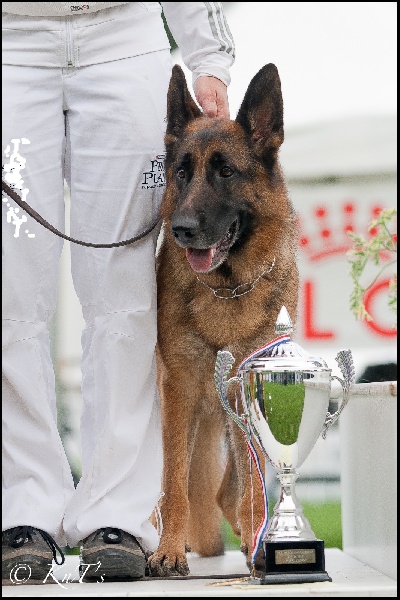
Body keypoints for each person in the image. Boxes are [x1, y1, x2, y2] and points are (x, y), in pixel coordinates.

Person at [2, 1, 235, 585]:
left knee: (125, 296)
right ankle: (23, 510)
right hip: (10, 45)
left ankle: (119, 517)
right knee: (11, 295)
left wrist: (208, 56)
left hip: (123, 41)